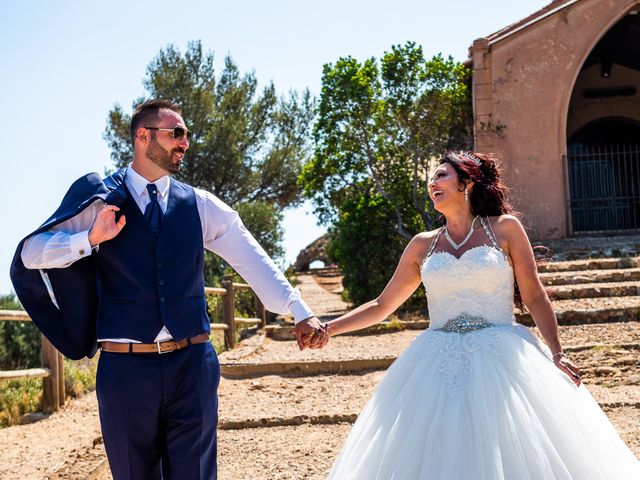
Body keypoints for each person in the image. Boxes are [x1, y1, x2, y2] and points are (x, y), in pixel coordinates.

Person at [10, 99, 327, 479]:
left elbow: (252, 258)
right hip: (125, 371)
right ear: (143, 136)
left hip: (192, 366)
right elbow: (32, 253)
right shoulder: (99, 200)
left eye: (187, 135)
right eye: (176, 133)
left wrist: (299, 309)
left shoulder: (199, 204)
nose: (185, 143)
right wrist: (88, 239)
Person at [310, 151, 640, 479]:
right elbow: (382, 305)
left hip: (504, 358)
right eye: (431, 178)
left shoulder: (506, 229)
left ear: (466, 183)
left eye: (441, 176)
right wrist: (328, 328)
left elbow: (534, 295)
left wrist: (557, 351)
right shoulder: (422, 245)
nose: (432, 183)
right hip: (434, 360)